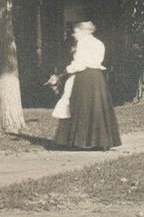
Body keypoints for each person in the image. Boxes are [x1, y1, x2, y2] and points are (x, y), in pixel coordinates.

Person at [49, 21, 121, 150]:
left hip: (84, 77)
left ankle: (81, 141)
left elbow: (79, 63)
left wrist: (65, 72)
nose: (74, 35)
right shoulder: (99, 43)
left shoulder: (83, 43)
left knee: (80, 106)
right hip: (97, 78)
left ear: (84, 31)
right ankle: (101, 140)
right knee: (97, 107)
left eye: (76, 32)